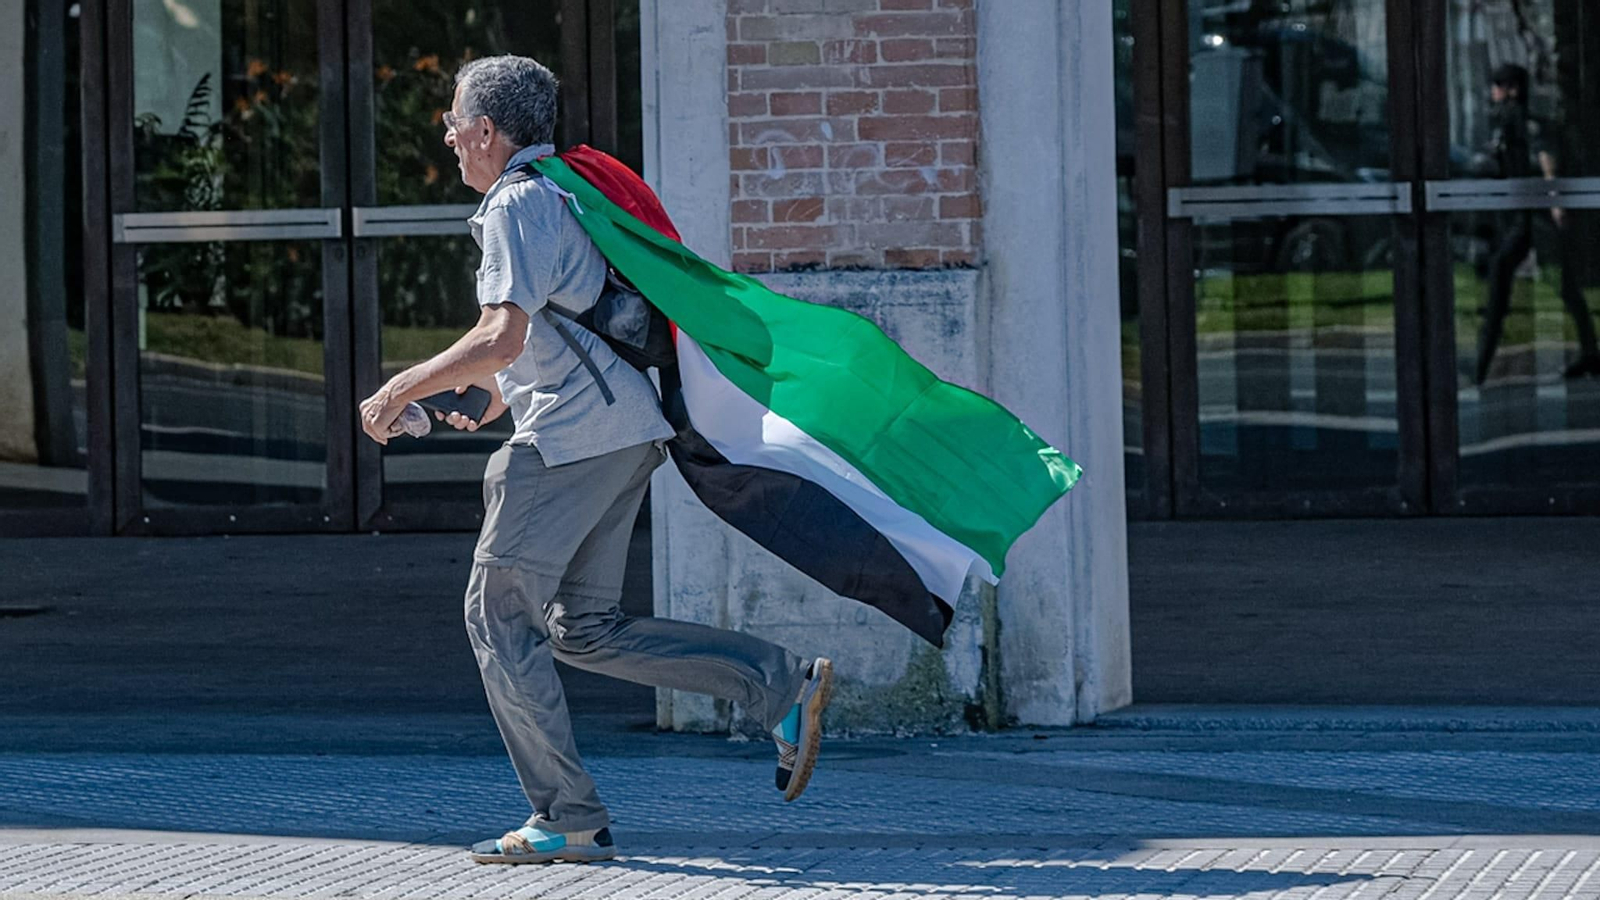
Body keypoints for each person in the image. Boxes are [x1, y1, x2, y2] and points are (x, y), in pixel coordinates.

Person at [357, 54, 833, 865]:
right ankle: (776, 683)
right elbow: (555, 334)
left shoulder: (514, 204)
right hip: (622, 434)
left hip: (569, 445)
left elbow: (502, 333)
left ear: (485, 130)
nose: (446, 137)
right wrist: (480, 400)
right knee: (583, 627)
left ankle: (567, 815)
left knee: (495, 616)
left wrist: (399, 386)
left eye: (451, 121)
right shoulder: (567, 192)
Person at [1474, 63, 1600, 385]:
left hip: (1535, 214)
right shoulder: (1506, 119)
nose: (1494, 91)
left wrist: (1555, 200)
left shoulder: (1522, 118)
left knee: (1555, 282)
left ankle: (1481, 366)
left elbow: (1544, 157)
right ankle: (1589, 352)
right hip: (1524, 213)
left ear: (1512, 87)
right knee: (1559, 284)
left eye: (1498, 85)